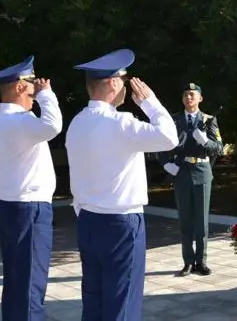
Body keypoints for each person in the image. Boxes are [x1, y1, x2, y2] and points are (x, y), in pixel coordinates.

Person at [66, 49, 179, 320]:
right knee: (122, 304)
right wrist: (150, 103)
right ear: (113, 83)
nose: (128, 86)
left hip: (88, 220)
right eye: (124, 79)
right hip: (120, 224)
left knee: (94, 302)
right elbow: (169, 137)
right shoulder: (121, 123)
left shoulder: (77, 123)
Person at [0, 55, 62, 321]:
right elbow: (53, 125)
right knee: (30, 286)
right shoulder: (19, 121)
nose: (35, 92)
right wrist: (47, 95)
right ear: (19, 87)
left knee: (17, 283)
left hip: (9, 206)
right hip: (29, 209)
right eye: (32, 87)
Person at [159, 83, 223, 277]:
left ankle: (201, 262)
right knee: (185, 220)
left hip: (202, 170)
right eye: (186, 95)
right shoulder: (175, 120)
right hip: (182, 172)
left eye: (193, 95)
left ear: (200, 99)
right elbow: (162, 143)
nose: (189, 98)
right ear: (182, 98)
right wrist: (166, 164)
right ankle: (187, 261)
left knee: (201, 221)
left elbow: (219, 148)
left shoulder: (209, 120)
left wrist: (206, 141)